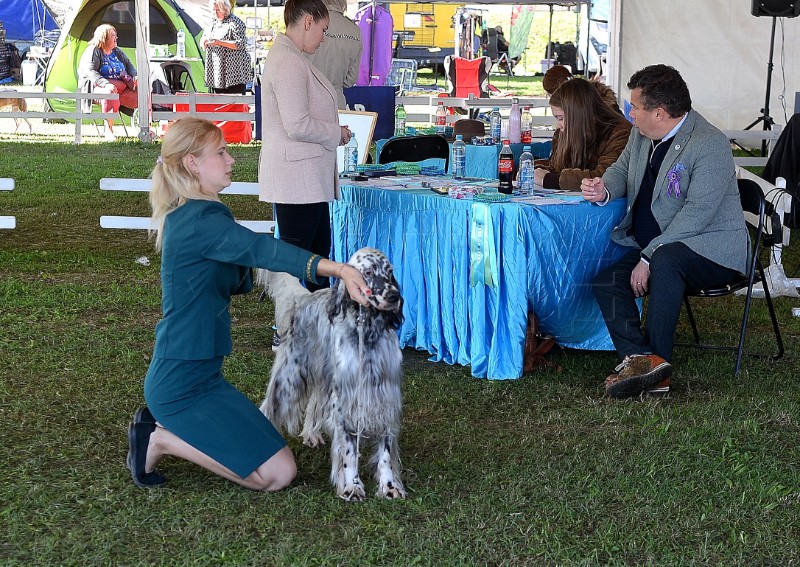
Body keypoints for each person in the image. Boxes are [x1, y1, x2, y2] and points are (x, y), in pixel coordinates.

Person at [126, 117, 372, 490]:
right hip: (179, 384)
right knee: (277, 475)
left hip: (205, 379)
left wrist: (271, 269)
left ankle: (165, 430)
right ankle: (160, 438)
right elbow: (260, 249)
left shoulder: (202, 214)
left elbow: (244, 265)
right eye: (221, 153)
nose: (231, 160)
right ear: (193, 163)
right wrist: (338, 269)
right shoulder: (198, 219)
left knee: (279, 458)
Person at [582, 64, 748, 399]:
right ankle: (645, 362)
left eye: (636, 108)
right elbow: (621, 169)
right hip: (658, 248)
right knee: (606, 282)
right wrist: (604, 189)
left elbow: (697, 215)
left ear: (659, 113)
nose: (630, 115)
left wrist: (648, 256)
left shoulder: (710, 144)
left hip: (711, 250)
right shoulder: (642, 133)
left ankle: (657, 370)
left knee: (667, 261)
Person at [258, 0, 352, 294]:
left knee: (314, 257)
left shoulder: (291, 57)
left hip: (305, 177)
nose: (324, 38)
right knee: (300, 259)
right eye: (323, 29)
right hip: (298, 178)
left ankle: (311, 327)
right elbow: (297, 124)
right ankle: (285, 328)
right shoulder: (288, 61)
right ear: (308, 21)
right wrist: (335, 133)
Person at [533, 77, 631, 190]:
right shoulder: (565, 132)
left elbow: (606, 178)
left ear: (578, 116)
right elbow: (556, 168)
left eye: (560, 118)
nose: (558, 126)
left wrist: (550, 180)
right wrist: (534, 170)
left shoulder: (619, 132)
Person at [78, 24, 138, 141]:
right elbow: (90, 71)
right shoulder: (94, 51)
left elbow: (129, 65)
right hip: (96, 87)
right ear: (104, 38)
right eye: (113, 36)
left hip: (122, 87)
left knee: (143, 94)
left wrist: (135, 75)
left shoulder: (116, 51)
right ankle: (108, 130)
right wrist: (106, 83)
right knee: (109, 91)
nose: (116, 38)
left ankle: (145, 127)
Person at [306, 0, 362, 110]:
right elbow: (350, 80)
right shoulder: (355, 30)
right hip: (335, 102)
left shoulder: (308, 24)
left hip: (307, 100)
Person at [201, 0, 253, 94]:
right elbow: (204, 36)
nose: (215, 13)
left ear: (225, 9)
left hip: (234, 73)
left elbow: (240, 44)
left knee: (235, 103)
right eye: (213, 10)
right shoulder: (211, 22)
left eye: (218, 10)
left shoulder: (235, 22)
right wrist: (203, 41)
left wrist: (219, 42)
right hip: (216, 72)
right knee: (219, 104)